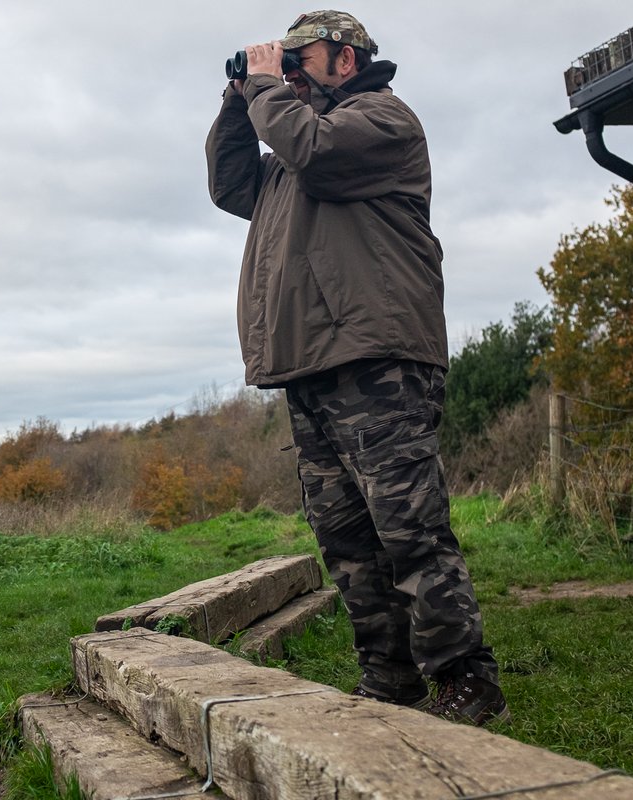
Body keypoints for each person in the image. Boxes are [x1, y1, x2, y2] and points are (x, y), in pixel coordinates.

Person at [205, 10, 508, 726]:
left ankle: (466, 676)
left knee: (409, 529)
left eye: (300, 59)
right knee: (347, 541)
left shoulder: (381, 123)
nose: (290, 72)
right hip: (310, 364)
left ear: (346, 60)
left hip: (377, 358)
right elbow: (227, 183)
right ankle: (390, 680)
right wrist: (237, 97)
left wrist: (265, 91)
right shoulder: (289, 163)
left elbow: (311, 146)